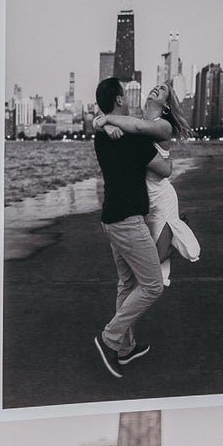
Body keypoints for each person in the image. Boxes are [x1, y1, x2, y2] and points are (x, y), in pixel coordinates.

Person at [89, 76, 172, 379]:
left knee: (126, 284)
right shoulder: (129, 136)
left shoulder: (103, 134)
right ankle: (109, 338)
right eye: (125, 94)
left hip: (111, 218)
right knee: (152, 285)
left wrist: (102, 122)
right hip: (128, 220)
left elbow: (113, 127)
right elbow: (165, 169)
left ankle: (125, 349)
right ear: (121, 100)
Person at [142, 83, 201, 290]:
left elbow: (134, 130)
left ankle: (177, 236)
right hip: (146, 198)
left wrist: (106, 120)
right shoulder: (140, 123)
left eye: (163, 90)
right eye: (156, 86)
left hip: (161, 196)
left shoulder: (162, 126)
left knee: (155, 258)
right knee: (147, 255)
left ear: (166, 106)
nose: (157, 88)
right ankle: (174, 231)